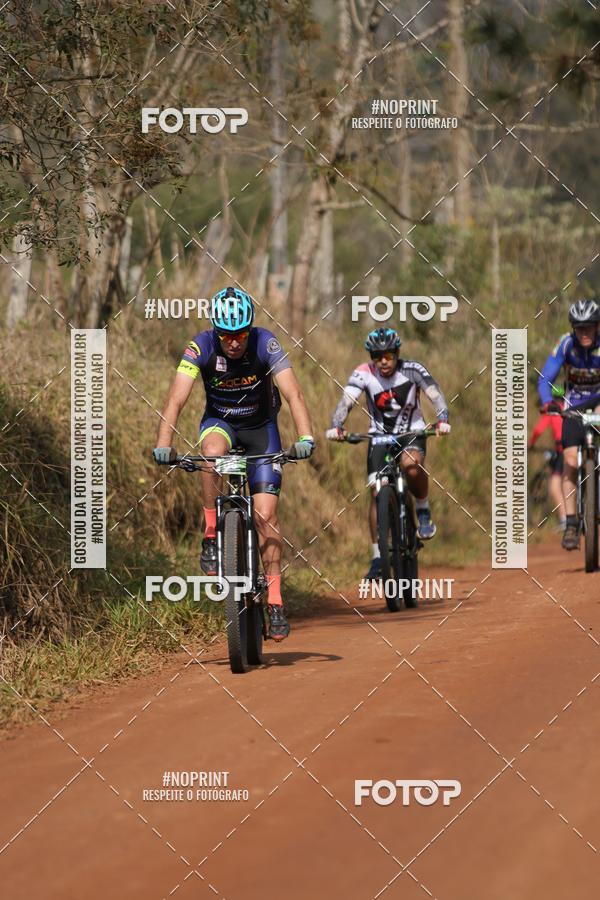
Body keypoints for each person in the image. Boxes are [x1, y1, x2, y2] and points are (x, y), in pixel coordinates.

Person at [153, 286, 315, 641]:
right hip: (221, 425)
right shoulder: (201, 346)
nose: (235, 342)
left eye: (241, 333)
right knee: (211, 455)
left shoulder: (265, 343)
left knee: (267, 516)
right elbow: (176, 399)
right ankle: (211, 533)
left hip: (262, 430)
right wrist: (164, 444)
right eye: (227, 335)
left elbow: (293, 393)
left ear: (250, 328)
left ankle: (274, 602)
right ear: (216, 331)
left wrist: (305, 438)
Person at [326, 327, 451, 579]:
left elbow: (434, 393)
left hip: (412, 433)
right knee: (376, 490)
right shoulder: (363, 373)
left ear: (397, 354)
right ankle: (377, 558)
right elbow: (346, 401)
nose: (383, 361)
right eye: (377, 356)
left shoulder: (412, 370)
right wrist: (337, 426)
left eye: (389, 355)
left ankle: (423, 509)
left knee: (411, 465)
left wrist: (442, 418)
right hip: (379, 437)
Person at [538, 298, 600, 551]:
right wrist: (547, 402)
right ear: (573, 328)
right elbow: (545, 378)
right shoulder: (566, 345)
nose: (584, 333)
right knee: (571, 462)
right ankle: (572, 523)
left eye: (589, 327)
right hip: (573, 406)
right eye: (579, 328)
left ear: (598, 327)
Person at [528, 385, 566, 531]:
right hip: (574, 446)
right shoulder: (569, 407)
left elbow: (539, 429)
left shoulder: (552, 409)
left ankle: (565, 519)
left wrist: (530, 444)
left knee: (554, 484)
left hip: (562, 449)